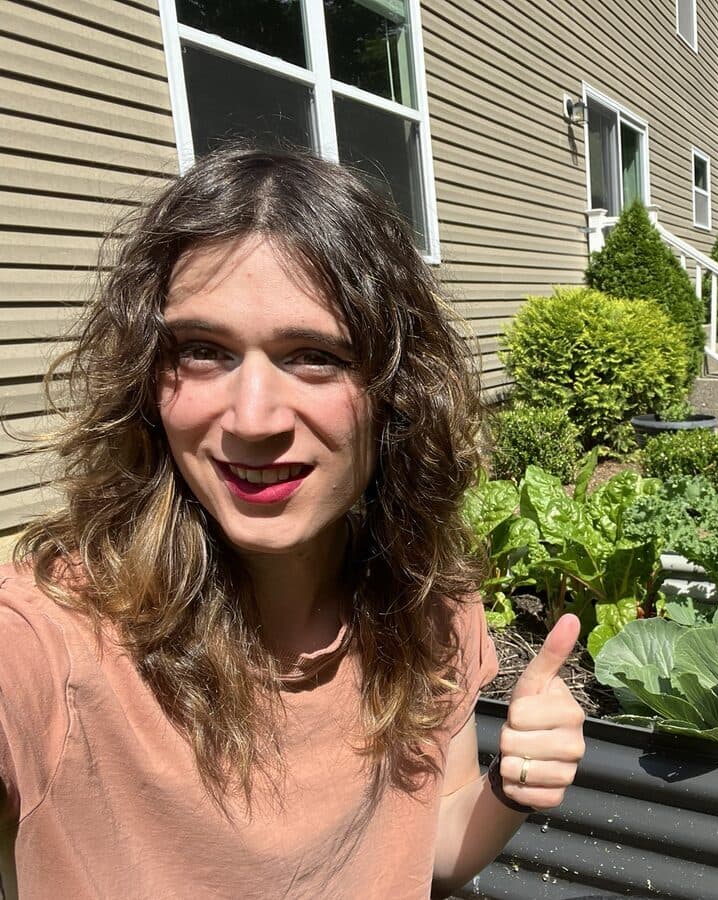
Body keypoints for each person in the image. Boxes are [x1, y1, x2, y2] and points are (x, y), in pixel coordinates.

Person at [0, 147, 586, 898]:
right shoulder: (50, 640)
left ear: (394, 392)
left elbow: (427, 850)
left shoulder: (430, 609)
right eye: (203, 352)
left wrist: (513, 783)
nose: (252, 419)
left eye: (312, 356)